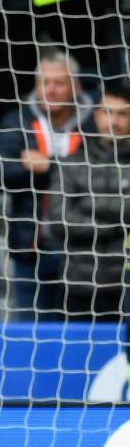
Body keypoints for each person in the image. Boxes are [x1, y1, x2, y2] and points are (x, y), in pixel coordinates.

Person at [0, 50, 92, 321]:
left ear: (76, 86)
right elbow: (4, 171)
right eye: (43, 83)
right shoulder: (18, 120)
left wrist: (48, 165)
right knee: (30, 332)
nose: (50, 90)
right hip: (31, 246)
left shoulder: (95, 122)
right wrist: (66, 168)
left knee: (78, 337)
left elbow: (98, 175)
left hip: (84, 251)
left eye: (58, 83)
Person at [47, 80, 130, 322]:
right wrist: (116, 225)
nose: (113, 121)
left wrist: (86, 204)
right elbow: (60, 220)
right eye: (107, 112)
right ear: (96, 115)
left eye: (122, 114)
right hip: (78, 286)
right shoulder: (71, 163)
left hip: (125, 285)